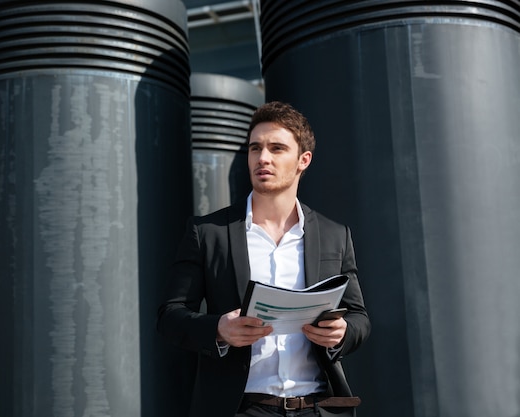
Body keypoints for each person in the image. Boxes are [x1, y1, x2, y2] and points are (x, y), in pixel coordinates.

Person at [157, 101, 370, 417]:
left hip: (317, 408)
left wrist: (342, 332)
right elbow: (169, 316)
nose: (263, 158)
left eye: (277, 148)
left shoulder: (335, 234)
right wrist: (219, 329)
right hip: (241, 409)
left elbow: (359, 317)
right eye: (255, 148)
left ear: (303, 160)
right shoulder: (208, 232)